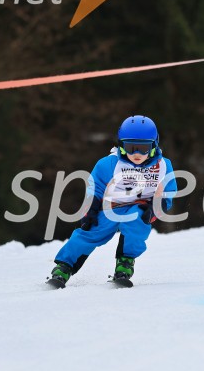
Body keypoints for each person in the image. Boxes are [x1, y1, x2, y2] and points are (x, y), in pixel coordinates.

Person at [48, 115, 176, 286]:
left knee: (136, 223)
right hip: (110, 206)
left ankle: (125, 263)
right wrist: (90, 210)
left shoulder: (163, 166)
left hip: (140, 207)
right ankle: (65, 266)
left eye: (143, 148)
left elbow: (168, 192)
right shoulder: (109, 164)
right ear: (121, 145)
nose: (136, 154)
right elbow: (95, 187)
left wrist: (155, 209)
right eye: (131, 148)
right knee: (91, 232)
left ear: (154, 145)